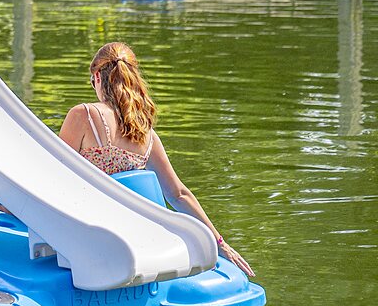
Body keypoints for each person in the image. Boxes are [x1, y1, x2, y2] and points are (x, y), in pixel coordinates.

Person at [57, 41, 254, 277]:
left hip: (88, 234)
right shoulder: (146, 135)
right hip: (133, 238)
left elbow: (56, 175)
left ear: (98, 77)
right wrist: (220, 242)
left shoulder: (84, 115)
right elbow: (178, 194)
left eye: (92, 82)